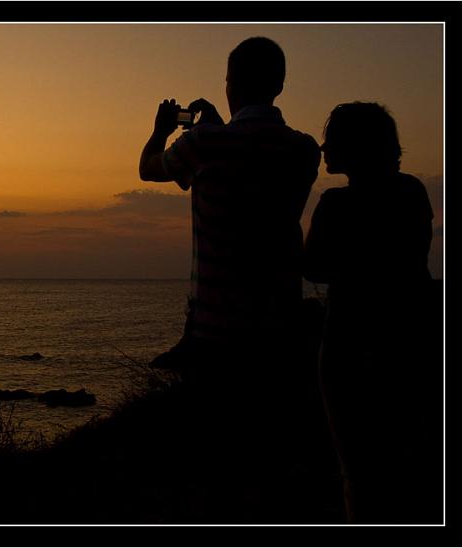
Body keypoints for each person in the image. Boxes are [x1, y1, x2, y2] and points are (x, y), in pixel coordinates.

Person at [139, 37, 321, 520]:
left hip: (215, 337)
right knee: (269, 460)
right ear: (280, 84)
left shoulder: (203, 144)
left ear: (229, 83)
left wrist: (161, 131)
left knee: (215, 463)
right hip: (280, 330)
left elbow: (148, 169)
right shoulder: (303, 150)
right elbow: (254, 172)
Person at [304, 102, 442, 523]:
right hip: (411, 338)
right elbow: (414, 258)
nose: (325, 146)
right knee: (409, 459)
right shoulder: (412, 192)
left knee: (358, 469)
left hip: (348, 342)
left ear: (353, 146)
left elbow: (314, 268)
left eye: (333, 138)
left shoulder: (335, 203)